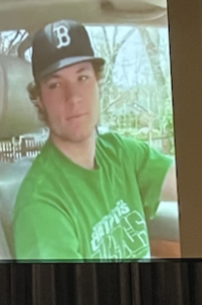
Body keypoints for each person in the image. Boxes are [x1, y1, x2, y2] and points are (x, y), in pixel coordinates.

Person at [12, 19, 178, 260]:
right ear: (39, 99)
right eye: (56, 85)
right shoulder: (40, 206)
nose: (73, 98)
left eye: (82, 78)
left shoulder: (120, 152)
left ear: (98, 83)